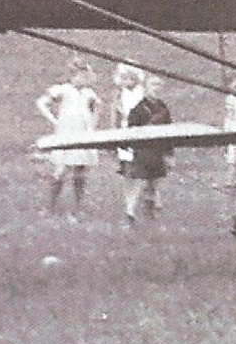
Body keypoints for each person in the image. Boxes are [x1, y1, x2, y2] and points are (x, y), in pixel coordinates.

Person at [37, 56, 102, 216]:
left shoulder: (88, 93)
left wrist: (92, 126)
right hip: (66, 132)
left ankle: (77, 209)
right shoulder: (64, 90)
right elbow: (42, 102)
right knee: (61, 169)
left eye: (84, 75)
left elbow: (97, 109)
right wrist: (54, 120)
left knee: (80, 170)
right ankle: (50, 207)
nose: (83, 79)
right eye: (79, 75)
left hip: (83, 134)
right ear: (72, 75)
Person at [114, 64, 171, 225]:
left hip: (158, 151)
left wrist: (169, 154)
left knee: (154, 185)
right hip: (142, 151)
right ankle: (130, 214)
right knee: (137, 183)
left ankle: (150, 215)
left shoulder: (163, 108)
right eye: (153, 85)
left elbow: (170, 132)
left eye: (159, 86)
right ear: (146, 88)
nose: (156, 89)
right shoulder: (138, 109)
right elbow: (131, 130)